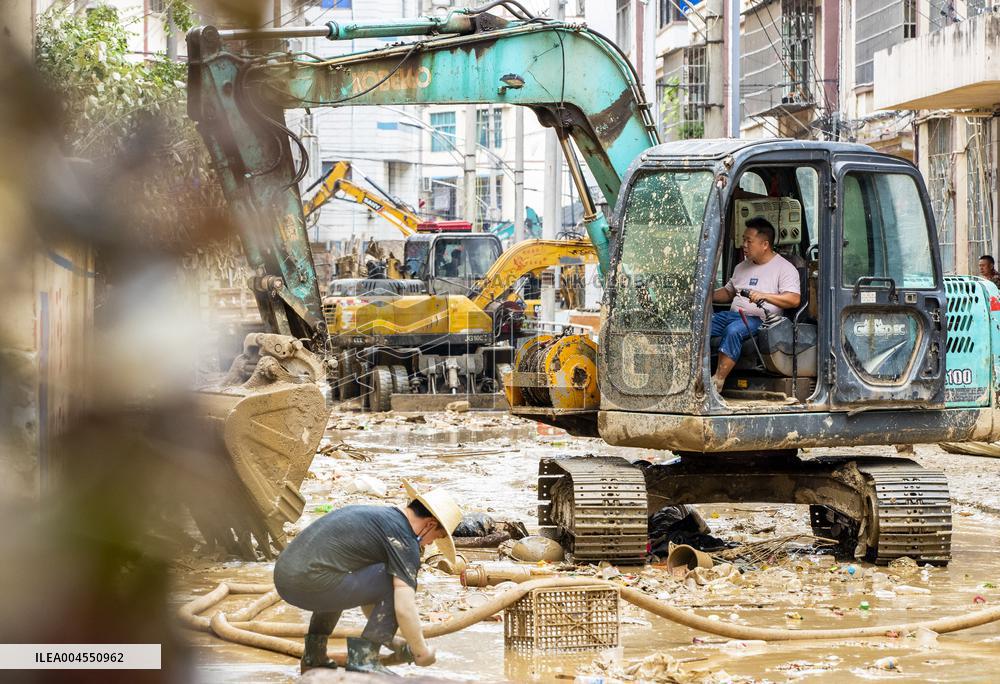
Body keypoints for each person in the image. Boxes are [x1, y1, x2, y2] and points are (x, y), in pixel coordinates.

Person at [273, 481, 463, 674]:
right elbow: (404, 607)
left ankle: (314, 655)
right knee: (393, 581)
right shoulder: (404, 540)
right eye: (436, 537)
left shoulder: (381, 518)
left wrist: (394, 642)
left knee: (336, 573)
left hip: (285, 578)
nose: (431, 543)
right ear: (430, 524)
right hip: (309, 582)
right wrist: (421, 651)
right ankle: (364, 659)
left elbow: (368, 597)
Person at [710, 217, 801, 394]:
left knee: (733, 331)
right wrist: (706, 295)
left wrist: (763, 296)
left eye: (748, 241)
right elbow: (728, 292)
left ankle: (717, 382)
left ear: (765, 244)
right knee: (699, 326)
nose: (744, 245)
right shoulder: (741, 267)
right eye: (743, 240)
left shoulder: (784, 268)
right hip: (732, 316)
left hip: (760, 320)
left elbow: (793, 299)